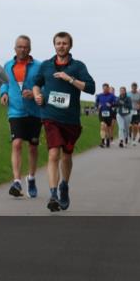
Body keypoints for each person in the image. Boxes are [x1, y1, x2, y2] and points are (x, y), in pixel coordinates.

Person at [32, 32, 95, 212]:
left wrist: (70, 79)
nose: (61, 46)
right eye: (58, 43)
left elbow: (91, 88)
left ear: (70, 46)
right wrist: (37, 94)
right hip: (50, 117)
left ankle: (64, 186)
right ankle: (53, 194)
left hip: (71, 119)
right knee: (53, 154)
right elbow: (36, 83)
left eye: (64, 43)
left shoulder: (77, 66)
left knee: (66, 156)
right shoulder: (46, 66)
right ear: (54, 45)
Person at [0, 35, 42, 198]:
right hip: (15, 111)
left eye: (25, 47)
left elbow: (44, 85)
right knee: (16, 143)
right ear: (14, 48)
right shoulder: (8, 65)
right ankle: (16, 181)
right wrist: (3, 93)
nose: (22, 49)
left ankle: (31, 177)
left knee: (32, 146)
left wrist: (35, 93)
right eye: (19, 46)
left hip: (34, 112)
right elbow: (4, 82)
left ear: (30, 49)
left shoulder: (38, 66)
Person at [95, 83, 118, 147]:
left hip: (109, 114)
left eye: (106, 88)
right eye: (104, 88)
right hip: (101, 113)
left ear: (108, 88)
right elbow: (96, 103)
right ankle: (102, 141)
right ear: (102, 88)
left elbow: (116, 103)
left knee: (108, 128)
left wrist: (111, 105)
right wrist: (97, 106)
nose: (105, 90)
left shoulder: (112, 96)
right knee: (102, 126)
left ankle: (108, 140)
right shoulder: (99, 95)